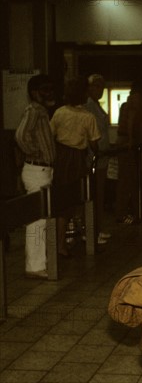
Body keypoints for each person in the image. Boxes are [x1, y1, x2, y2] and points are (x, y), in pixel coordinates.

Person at [50, 76, 101, 257]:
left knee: (61, 202)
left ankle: (60, 242)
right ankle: (72, 239)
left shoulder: (59, 112)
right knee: (79, 199)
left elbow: (51, 135)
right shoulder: (88, 116)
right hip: (77, 159)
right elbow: (95, 143)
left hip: (60, 158)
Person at [14, 74, 57, 279]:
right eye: (45, 89)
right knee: (37, 219)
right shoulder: (35, 110)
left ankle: (38, 263)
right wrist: (34, 152)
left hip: (40, 169)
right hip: (37, 169)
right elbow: (21, 136)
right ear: (34, 92)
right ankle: (35, 265)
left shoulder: (40, 111)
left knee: (39, 218)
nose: (49, 93)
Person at [115, 80, 142, 224]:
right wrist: (130, 140)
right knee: (130, 180)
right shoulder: (136, 102)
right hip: (129, 146)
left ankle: (133, 211)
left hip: (124, 144)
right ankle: (128, 212)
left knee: (127, 180)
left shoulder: (125, 104)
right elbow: (130, 121)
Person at [85, 74, 112, 244]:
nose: (99, 90)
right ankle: (93, 230)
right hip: (93, 157)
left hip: (101, 157)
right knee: (94, 194)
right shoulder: (89, 106)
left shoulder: (96, 106)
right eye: (96, 87)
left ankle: (98, 228)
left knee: (99, 193)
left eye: (102, 87)